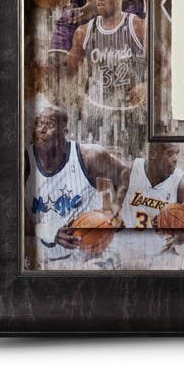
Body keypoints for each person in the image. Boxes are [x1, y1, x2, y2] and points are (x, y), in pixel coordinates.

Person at [24, 104, 128, 270]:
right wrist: (48, 231)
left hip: (88, 256)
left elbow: (123, 172)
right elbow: (13, 218)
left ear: (64, 133)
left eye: (49, 124)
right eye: (38, 123)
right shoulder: (24, 162)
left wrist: (117, 204)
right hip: (45, 260)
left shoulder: (89, 157)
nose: (41, 130)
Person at [66, 0, 146, 152]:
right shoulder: (83, 32)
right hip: (97, 113)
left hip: (131, 113)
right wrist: (76, 94)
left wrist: (146, 86)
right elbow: (69, 74)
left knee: (131, 163)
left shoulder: (137, 27)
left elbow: (164, 65)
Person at [99, 142, 184, 271]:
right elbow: (113, 204)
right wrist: (113, 211)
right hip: (125, 248)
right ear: (153, 154)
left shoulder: (182, 185)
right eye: (170, 153)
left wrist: (177, 238)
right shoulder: (131, 170)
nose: (175, 159)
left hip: (159, 254)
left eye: (177, 154)